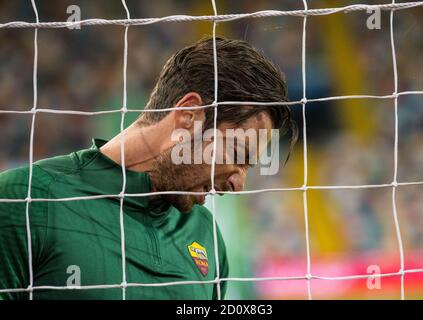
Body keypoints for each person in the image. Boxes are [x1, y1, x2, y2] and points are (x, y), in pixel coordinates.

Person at [0, 37, 297, 300]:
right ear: (189, 116)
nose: (238, 185)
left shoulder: (205, 234)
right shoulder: (25, 199)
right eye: (237, 153)